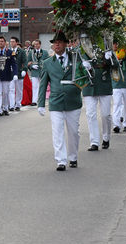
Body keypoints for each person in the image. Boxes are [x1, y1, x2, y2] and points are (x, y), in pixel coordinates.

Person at [37, 32, 91, 171]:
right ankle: (61, 160)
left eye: (60, 42)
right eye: (55, 42)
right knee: (57, 131)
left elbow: (87, 78)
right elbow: (43, 84)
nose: (57, 45)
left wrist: (87, 68)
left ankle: (73, 156)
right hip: (56, 101)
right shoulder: (48, 63)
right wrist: (41, 104)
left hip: (73, 100)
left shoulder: (75, 58)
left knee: (73, 132)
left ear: (66, 44)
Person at [82, 46, 118, 151]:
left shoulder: (105, 49)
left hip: (104, 85)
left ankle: (106, 137)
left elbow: (116, 65)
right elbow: (77, 67)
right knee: (90, 114)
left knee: (105, 115)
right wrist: (83, 67)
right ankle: (94, 142)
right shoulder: (83, 50)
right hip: (89, 86)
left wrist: (109, 58)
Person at [112, 44, 126, 133]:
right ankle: (116, 124)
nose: (115, 45)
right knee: (116, 103)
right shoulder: (111, 54)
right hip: (116, 82)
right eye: (114, 43)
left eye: (117, 43)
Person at [0, 36, 17, 116]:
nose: (0, 43)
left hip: (7, 76)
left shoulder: (10, 52)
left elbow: (14, 64)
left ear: (5, 42)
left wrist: (15, 74)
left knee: (6, 93)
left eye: (2, 41)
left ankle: (5, 108)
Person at [27, 39, 48, 106]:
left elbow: (47, 62)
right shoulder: (31, 52)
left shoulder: (45, 52)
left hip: (42, 71)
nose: (36, 45)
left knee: (42, 86)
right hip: (34, 72)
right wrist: (32, 66)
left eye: (37, 44)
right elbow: (28, 62)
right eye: (35, 44)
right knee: (34, 86)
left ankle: (41, 100)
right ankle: (34, 101)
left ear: (40, 44)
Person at [8, 37, 27, 111]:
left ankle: (18, 104)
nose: (11, 43)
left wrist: (24, 70)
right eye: (10, 42)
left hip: (19, 72)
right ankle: (12, 105)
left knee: (19, 90)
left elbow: (25, 61)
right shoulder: (9, 51)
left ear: (16, 42)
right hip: (11, 73)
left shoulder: (21, 51)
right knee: (11, 89)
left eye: (13, 41)